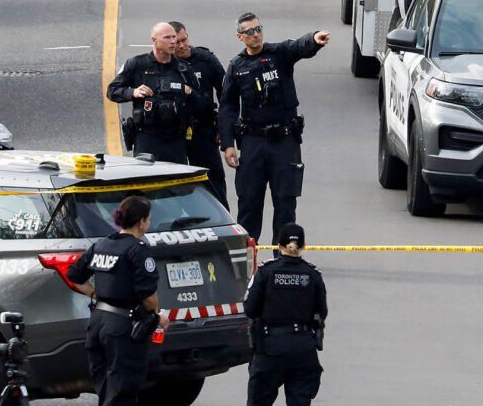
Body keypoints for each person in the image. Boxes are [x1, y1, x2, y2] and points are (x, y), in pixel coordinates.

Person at [64, 195, 160, 406]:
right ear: (141, 222)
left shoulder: (101, 245)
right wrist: (158, 313)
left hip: (98, 324)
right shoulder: (138, 251)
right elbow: (149, 298)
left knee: (108, 393)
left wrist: (96, 293)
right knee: (121, 394)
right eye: (148, 219)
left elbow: (74, 274)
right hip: (122, 329)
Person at [217, 13, 330, 241]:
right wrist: (228, 145)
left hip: (284, 142)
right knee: (249, 203)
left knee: (285, 202)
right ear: (240, 37)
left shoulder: (279, 54)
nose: (256, 34)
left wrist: (314, 39)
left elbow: (299, 47)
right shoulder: (236, 67)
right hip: (253, 144)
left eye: (258, 29)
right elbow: (227, 107)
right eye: (249, 32)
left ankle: (283, 260)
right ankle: (249, 260)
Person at [237, 223, 327, 406]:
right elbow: (322, 310)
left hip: (270, 350)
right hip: (303, 350)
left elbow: (250, 308)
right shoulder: (313, 276)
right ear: (304, 246)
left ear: (277, 246)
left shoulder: (266, 272)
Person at [105, 21, 198, 165]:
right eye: (168, 38)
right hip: (147, 137)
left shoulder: (184, 69)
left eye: (174, 37)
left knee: (176, 184)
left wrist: (189, 92)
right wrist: (132, 92)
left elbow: (201, 103)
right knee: (146, 182)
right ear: (154, 40)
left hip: (176, 138)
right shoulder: (136, 64)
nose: (173, 41)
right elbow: (112, 91)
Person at [170, 21, 228, 207]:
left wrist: (223, 127)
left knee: (212, 180)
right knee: (178, 183)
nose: (181, 46)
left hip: (204, 128)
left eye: (183, 40)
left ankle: (222, 219)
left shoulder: (206, 59)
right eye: (176, 42)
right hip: (176, 131)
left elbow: (226, 94)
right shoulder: (166, 63)